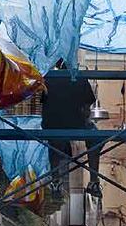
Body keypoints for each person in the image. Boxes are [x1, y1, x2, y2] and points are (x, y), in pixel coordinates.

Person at [41, 59, 103, 198]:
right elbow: (86, 111)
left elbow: (43, 104)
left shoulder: (48, 78)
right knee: (96, 138)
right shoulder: (79, 78)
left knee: (54, 143)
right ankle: (93, 181)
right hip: (75, 123)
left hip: (52, 125)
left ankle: (55, 179)